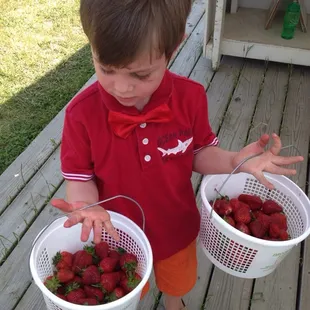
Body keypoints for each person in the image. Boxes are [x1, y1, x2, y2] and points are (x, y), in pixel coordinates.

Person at [51, 1, 303, 309]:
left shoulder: (190, 97)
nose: (122, 87)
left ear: (173, 48)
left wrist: (233, 161)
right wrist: (87, 205)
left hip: (176, 226)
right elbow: (80, 177)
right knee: (130, 288)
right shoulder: (81, 114)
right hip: (117, 233)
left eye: (140, 74)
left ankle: (173, 302)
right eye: (106, 69)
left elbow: (199, 153)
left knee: (178, 281)